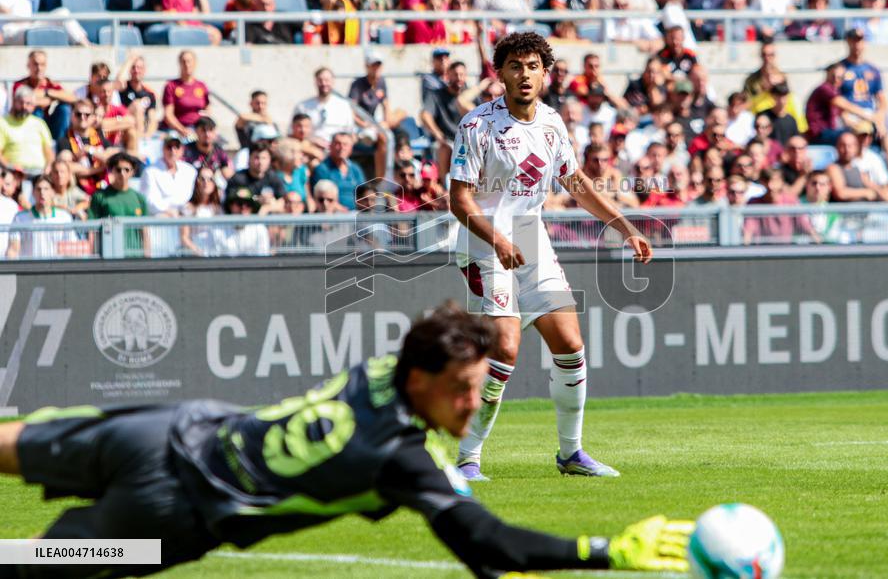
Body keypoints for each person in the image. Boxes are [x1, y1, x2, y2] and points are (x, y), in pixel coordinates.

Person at [0, 303, 695, 577]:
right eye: (462, 387)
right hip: (168, 515)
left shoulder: (376, 370)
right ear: (421, 379)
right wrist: (600, 551)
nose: (473, 401)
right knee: (28, 564)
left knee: (10, 444)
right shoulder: (401, 459)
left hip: (168, 427)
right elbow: (484, 543)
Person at [448, 32, 654, 480]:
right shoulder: (477, 125)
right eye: (515, 66)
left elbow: (575, 182)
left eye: (533, 66)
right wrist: (497, 239)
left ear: (546, 73)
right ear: (499, 73)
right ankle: (467, 459)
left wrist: (624, 226)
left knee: (570, 344)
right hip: (483, 241)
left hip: (530, 237)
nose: (524, 75)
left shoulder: (552, 123)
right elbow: (459, 201)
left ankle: (571, 454)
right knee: (505, 346)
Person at [88, 152, 147, 254]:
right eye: (118, 170)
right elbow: (92, 230)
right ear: (111, 171)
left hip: (136, 256)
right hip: (109, 255)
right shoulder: (99, 196)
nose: (122, 173)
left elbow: (144, 230)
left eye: (126, 170)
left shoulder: (139, 198)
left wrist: (147, 255)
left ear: (133, 172)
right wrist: (94, 255)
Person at [5, 173, 74, 259]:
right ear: (33, 192)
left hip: (56, 270)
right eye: (38, 189)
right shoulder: (19, 218)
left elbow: (70, 250)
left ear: (53, 192)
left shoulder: (64, 217)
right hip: (29, 270)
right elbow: (13, 250)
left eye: (46, 189)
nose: (42, 193)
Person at [12, 50, 75, 143]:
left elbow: (72, 98)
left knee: (64, 108)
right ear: (28, 66)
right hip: (26, 127)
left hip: (49, 124)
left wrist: (47, 92)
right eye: (35, 64)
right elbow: (27, 101)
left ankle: (60, 145)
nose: (39, 68)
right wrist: (51, 99)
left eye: (42, 64)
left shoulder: (50, 84)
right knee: (36, 111)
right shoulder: (20, 84)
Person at [292, 67, 357, 143]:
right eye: (320, 80)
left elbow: (351, 134)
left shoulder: (344, 106)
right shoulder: (302, 107)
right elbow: (292, 133)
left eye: (327, 80)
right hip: (310, 148)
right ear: (315, 82)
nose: (323, 83)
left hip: (337, 150)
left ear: (333, 82)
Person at [0, 85, 54, 176]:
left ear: (33, 106)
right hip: (14, 173)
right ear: (14, 102)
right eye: (21, 102)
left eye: (28, 103)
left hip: (39, 172)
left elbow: (49, 152)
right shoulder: (3, 123)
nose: (24, 106)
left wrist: (48, 167)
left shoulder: (40, 123)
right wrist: (10, 167)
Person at [309, 131, 366, 211]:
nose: (341, 147)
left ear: (351, 148)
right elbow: (321, 196)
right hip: (333, 215)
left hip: (356, 214)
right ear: (330, 146)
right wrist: (341, 210)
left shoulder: (355, 169)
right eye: (338, 143)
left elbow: (363, 193)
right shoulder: (322, 169)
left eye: (345, 144)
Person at [161, 49, 211, 140]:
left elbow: (207, 110)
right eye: (183, 62)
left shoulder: (201, 86)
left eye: (189, 61)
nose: (187, 64)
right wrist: (182, 130)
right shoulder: (171, 86)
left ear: (195, 63)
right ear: (179, 64)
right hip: (177, 130)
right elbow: (168, 115)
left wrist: (201, 129)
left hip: (197, 129)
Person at [228, 140, 287, 215]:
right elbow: (231, 203)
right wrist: (256, 200)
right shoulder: (238, 178)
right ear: (249, 159)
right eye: (257, 158)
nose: (260, 162)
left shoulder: (273, 177)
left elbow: (283, 202)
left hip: (267, 224)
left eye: (264, 158)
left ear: (269, 160)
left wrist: (266, 208)